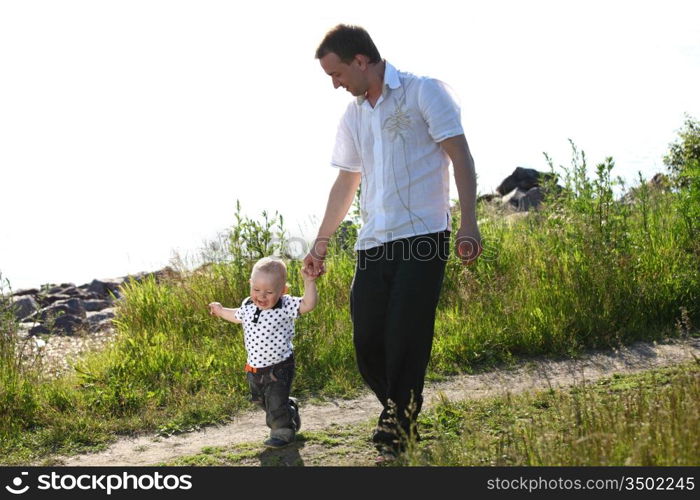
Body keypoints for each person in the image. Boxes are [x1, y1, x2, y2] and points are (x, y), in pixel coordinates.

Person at [304, 24, 482, 461]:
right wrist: (321, 243)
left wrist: (469, 222)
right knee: (367, 337)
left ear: (361, 60)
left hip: (423, 236)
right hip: (373, 241)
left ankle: (398, 421)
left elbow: (461, 155)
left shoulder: (424, 93)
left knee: (407, 331)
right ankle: (398, 407)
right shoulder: (353, 116)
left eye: (338, 74)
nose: (336, 84)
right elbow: (347, 181)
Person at [208, 257, 318, 448]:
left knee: (275, 403)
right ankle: (288, 410)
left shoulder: (285, 305)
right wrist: (220, 310)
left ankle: (282, 432)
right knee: (260, 400)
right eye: (256, 290)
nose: (261, 296)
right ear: (251, 285)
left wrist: (309, 282)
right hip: (254, 367)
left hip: (280, 366)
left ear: (282, 291)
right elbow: (236, 316)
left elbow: (308, 304)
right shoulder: (248, 305)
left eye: (269, 292)